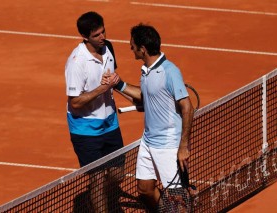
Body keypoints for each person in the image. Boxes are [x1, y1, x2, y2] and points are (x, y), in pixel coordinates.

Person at [103, 23, 194, 212]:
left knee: (178, 199)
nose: (131, 48)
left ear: (142, 50)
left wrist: (183, 146)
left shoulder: (170, 72)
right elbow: (145, 97)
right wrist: (117, 84)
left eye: (132, 46)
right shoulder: (146, 71)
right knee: (144, 190)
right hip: (148, 141)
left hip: (168, 144)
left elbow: (187, 107)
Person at [64, 11, 124, 212]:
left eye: (103, 31)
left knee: (118, 174)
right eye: (97, 35)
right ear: (85, 37)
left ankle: (97, 198)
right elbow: (76, 103)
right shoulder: (76, 62)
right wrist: (102, 88)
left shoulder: (108, 49)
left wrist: (117, 84)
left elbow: (112, 78)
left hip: (110, 123)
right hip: (85, 129)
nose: (102, 37)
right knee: (97, 179)